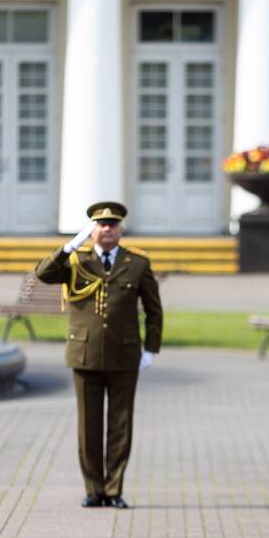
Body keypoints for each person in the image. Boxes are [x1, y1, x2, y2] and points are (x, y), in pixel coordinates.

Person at [35, 202, 163, 509]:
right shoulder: (76, 260)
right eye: (101, 224)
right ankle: (93, 488)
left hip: (125, 353)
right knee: (88, 424)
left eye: (113, 224)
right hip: (85, 352)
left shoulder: (138, 263)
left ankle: (114, 488)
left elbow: (154, 310)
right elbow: (43, 273)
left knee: (120, 424)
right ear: (92, 230)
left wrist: (150, 349)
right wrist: (69, 246)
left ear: (120, 229)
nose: (107, 229)